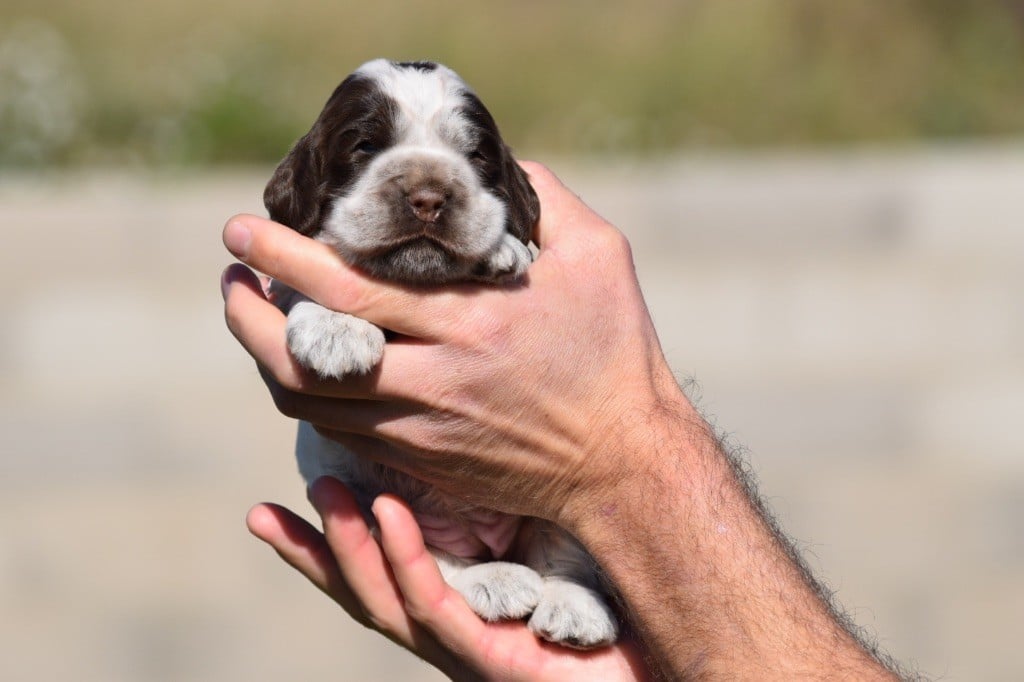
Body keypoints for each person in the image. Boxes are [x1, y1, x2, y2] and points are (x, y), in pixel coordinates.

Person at [221, 162, 909, 680]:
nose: (425, 197)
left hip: (534, 541)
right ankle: (462, 571)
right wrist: (312, 307)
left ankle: (570, 576)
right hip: (421, 530)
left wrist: (611, 453)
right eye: (367, 147)